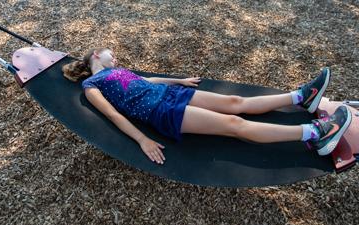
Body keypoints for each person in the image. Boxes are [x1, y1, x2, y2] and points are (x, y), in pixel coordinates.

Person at [62, 47, 352, 165]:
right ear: (98, 54)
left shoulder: (120, 70)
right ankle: (315, 134)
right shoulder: (91, 86)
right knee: (234, 125)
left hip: (171, 96)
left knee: (235, 102)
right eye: (111, 53)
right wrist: (142, 139)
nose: (115, 55)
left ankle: (301, 97)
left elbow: (148, 80)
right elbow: (112, 114)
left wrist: (179, 81)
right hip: (162, 113)